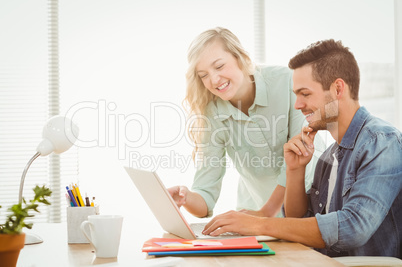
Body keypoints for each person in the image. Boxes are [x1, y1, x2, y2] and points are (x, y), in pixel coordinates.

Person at [202, 39, 402, 258]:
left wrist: (259, 224)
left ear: (337, 89)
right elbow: (300, 224)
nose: (297, 105)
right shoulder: (330, 155)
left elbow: (353, 227)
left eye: (305, 94)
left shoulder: (381, 142)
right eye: (295, 94)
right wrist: (295, 171)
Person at [168, 27, 322, 218]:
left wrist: (265, 213)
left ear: (239, 57)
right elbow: (205, 197)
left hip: (315, 202)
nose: (214, 79)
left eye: (219, 66)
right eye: (203, 75)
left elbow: (299, 157)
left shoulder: (287, 82)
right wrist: (186, 197)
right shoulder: (212, 113)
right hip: (258, 214)